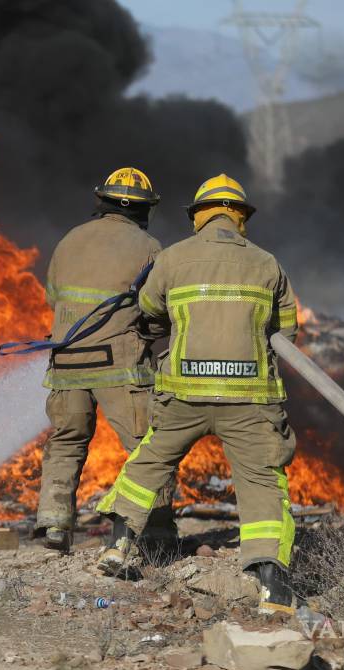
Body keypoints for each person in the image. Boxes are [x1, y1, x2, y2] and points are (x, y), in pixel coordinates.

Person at [95, 173, 301, 614]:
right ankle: (273, 588)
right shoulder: (267, 263)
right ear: (240, 217)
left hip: (184, 395)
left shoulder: (172, 258)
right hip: (249, 401)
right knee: (263, 481)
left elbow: (149, 312)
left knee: (151, 461)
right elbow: (287, 331)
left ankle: (118, 545)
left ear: (199, 216)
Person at [35, 167, 174, 554]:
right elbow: (157, 306)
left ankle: (53, 523)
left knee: (66, 441)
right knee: (149, 447)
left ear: (103, 202)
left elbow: (52, 298)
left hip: (65, 362)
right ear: (144, 209)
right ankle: (157, 531)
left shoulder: (69, 240)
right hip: (120, 366)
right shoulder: (150, 246)